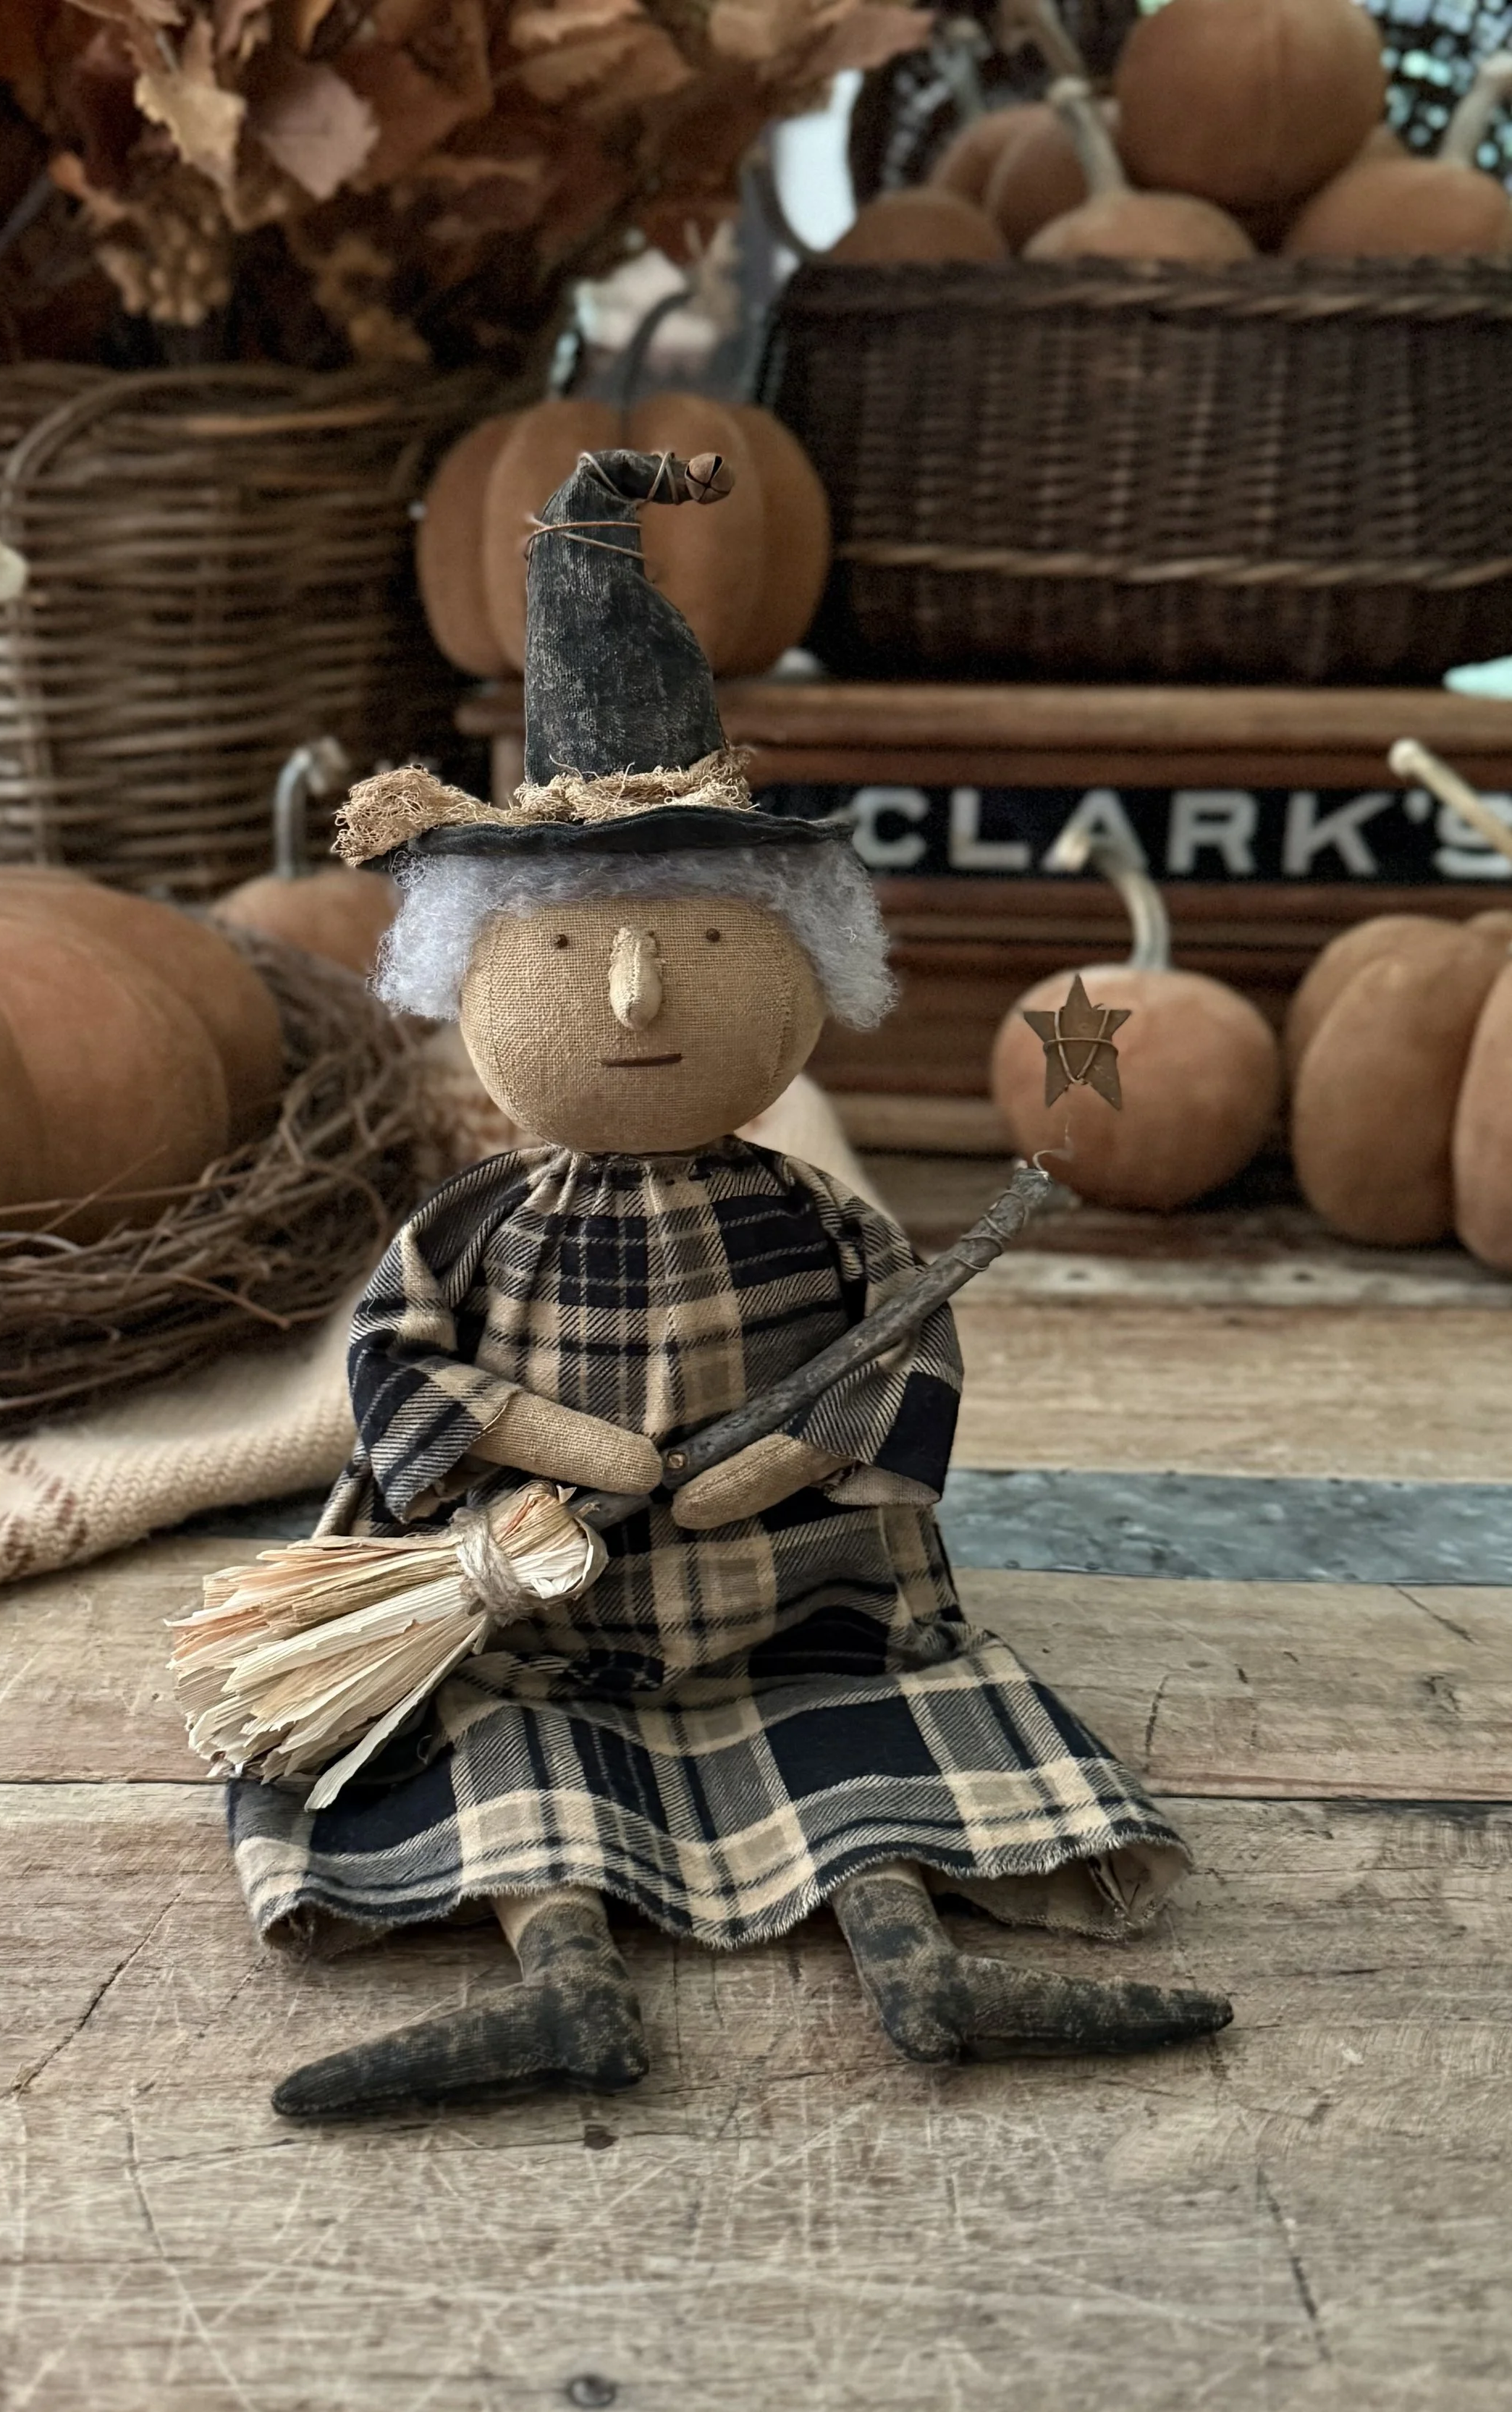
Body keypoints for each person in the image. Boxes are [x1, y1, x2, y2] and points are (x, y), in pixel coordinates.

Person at [231, 444, 1230, 2115]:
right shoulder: (475, 1221)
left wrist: (795, 1453)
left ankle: (907, 1944)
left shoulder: (824, 1217)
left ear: (796, 963)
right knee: (509, 1747)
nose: (631, 995)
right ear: (476, 975)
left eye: (698, 938)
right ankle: (562, 1971)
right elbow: (396, 1359)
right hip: (544, 1610)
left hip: (794, 1607)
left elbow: (905, 1350)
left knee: (862, 1742)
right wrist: (570, 1448)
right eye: (563, 948)